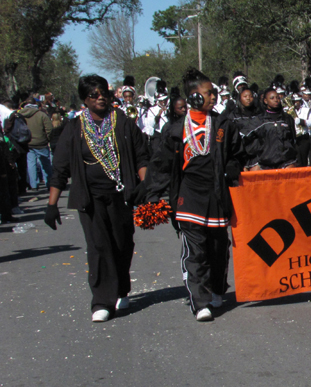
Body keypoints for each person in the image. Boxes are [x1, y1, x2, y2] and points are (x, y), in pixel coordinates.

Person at [45, 74, 149, 323]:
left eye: (103, 92)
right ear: (85, 99)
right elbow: (60, 169)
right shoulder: (74, 128)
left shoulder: (122, 122)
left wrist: (145, 185)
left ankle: (122, 289)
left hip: (121, 194)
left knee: (122, 243)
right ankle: (102, 301)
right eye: (94, 94)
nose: (100, 97)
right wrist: (51, 204)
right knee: (99, 246)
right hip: (90, 198)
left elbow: (141, 156)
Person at [146, 67, 247, 322]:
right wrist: (152, 195)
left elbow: (237, 154)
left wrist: (232, 170)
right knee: (195, 250)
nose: (213, 97)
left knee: (218, 247)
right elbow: (160, 165)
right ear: (193, 97)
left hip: (216, 195)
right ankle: (200, 301)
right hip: (188, 196)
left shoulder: (223, 124)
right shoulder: (175, 129)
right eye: (208, 93)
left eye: (213, 92)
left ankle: (215, 289)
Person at [18, 98, 53, 190]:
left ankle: (33, 185)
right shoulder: (42, 115)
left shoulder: (20, 115)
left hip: (27, 143)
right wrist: (47, 139)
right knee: (45, 164)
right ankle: (49, 183)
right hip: (41, 142)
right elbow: (49, 129)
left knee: (31, 164)